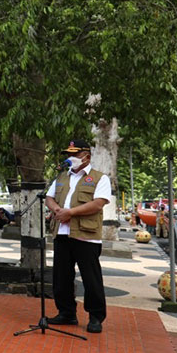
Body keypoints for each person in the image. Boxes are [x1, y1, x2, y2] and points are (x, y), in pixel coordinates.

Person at [44, 139, 111, 334]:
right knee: (61, 277)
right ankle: (66, 313)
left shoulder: (99, 178)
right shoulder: (61, 177)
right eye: (68, 154)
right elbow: (49, 198)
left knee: (91, 278)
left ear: (86, 156)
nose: (70, 157)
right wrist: (57, 210)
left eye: (74, 154)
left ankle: (96, 317)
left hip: (86, 235)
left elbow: (98, 203)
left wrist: (70, 213)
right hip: (62, 233)